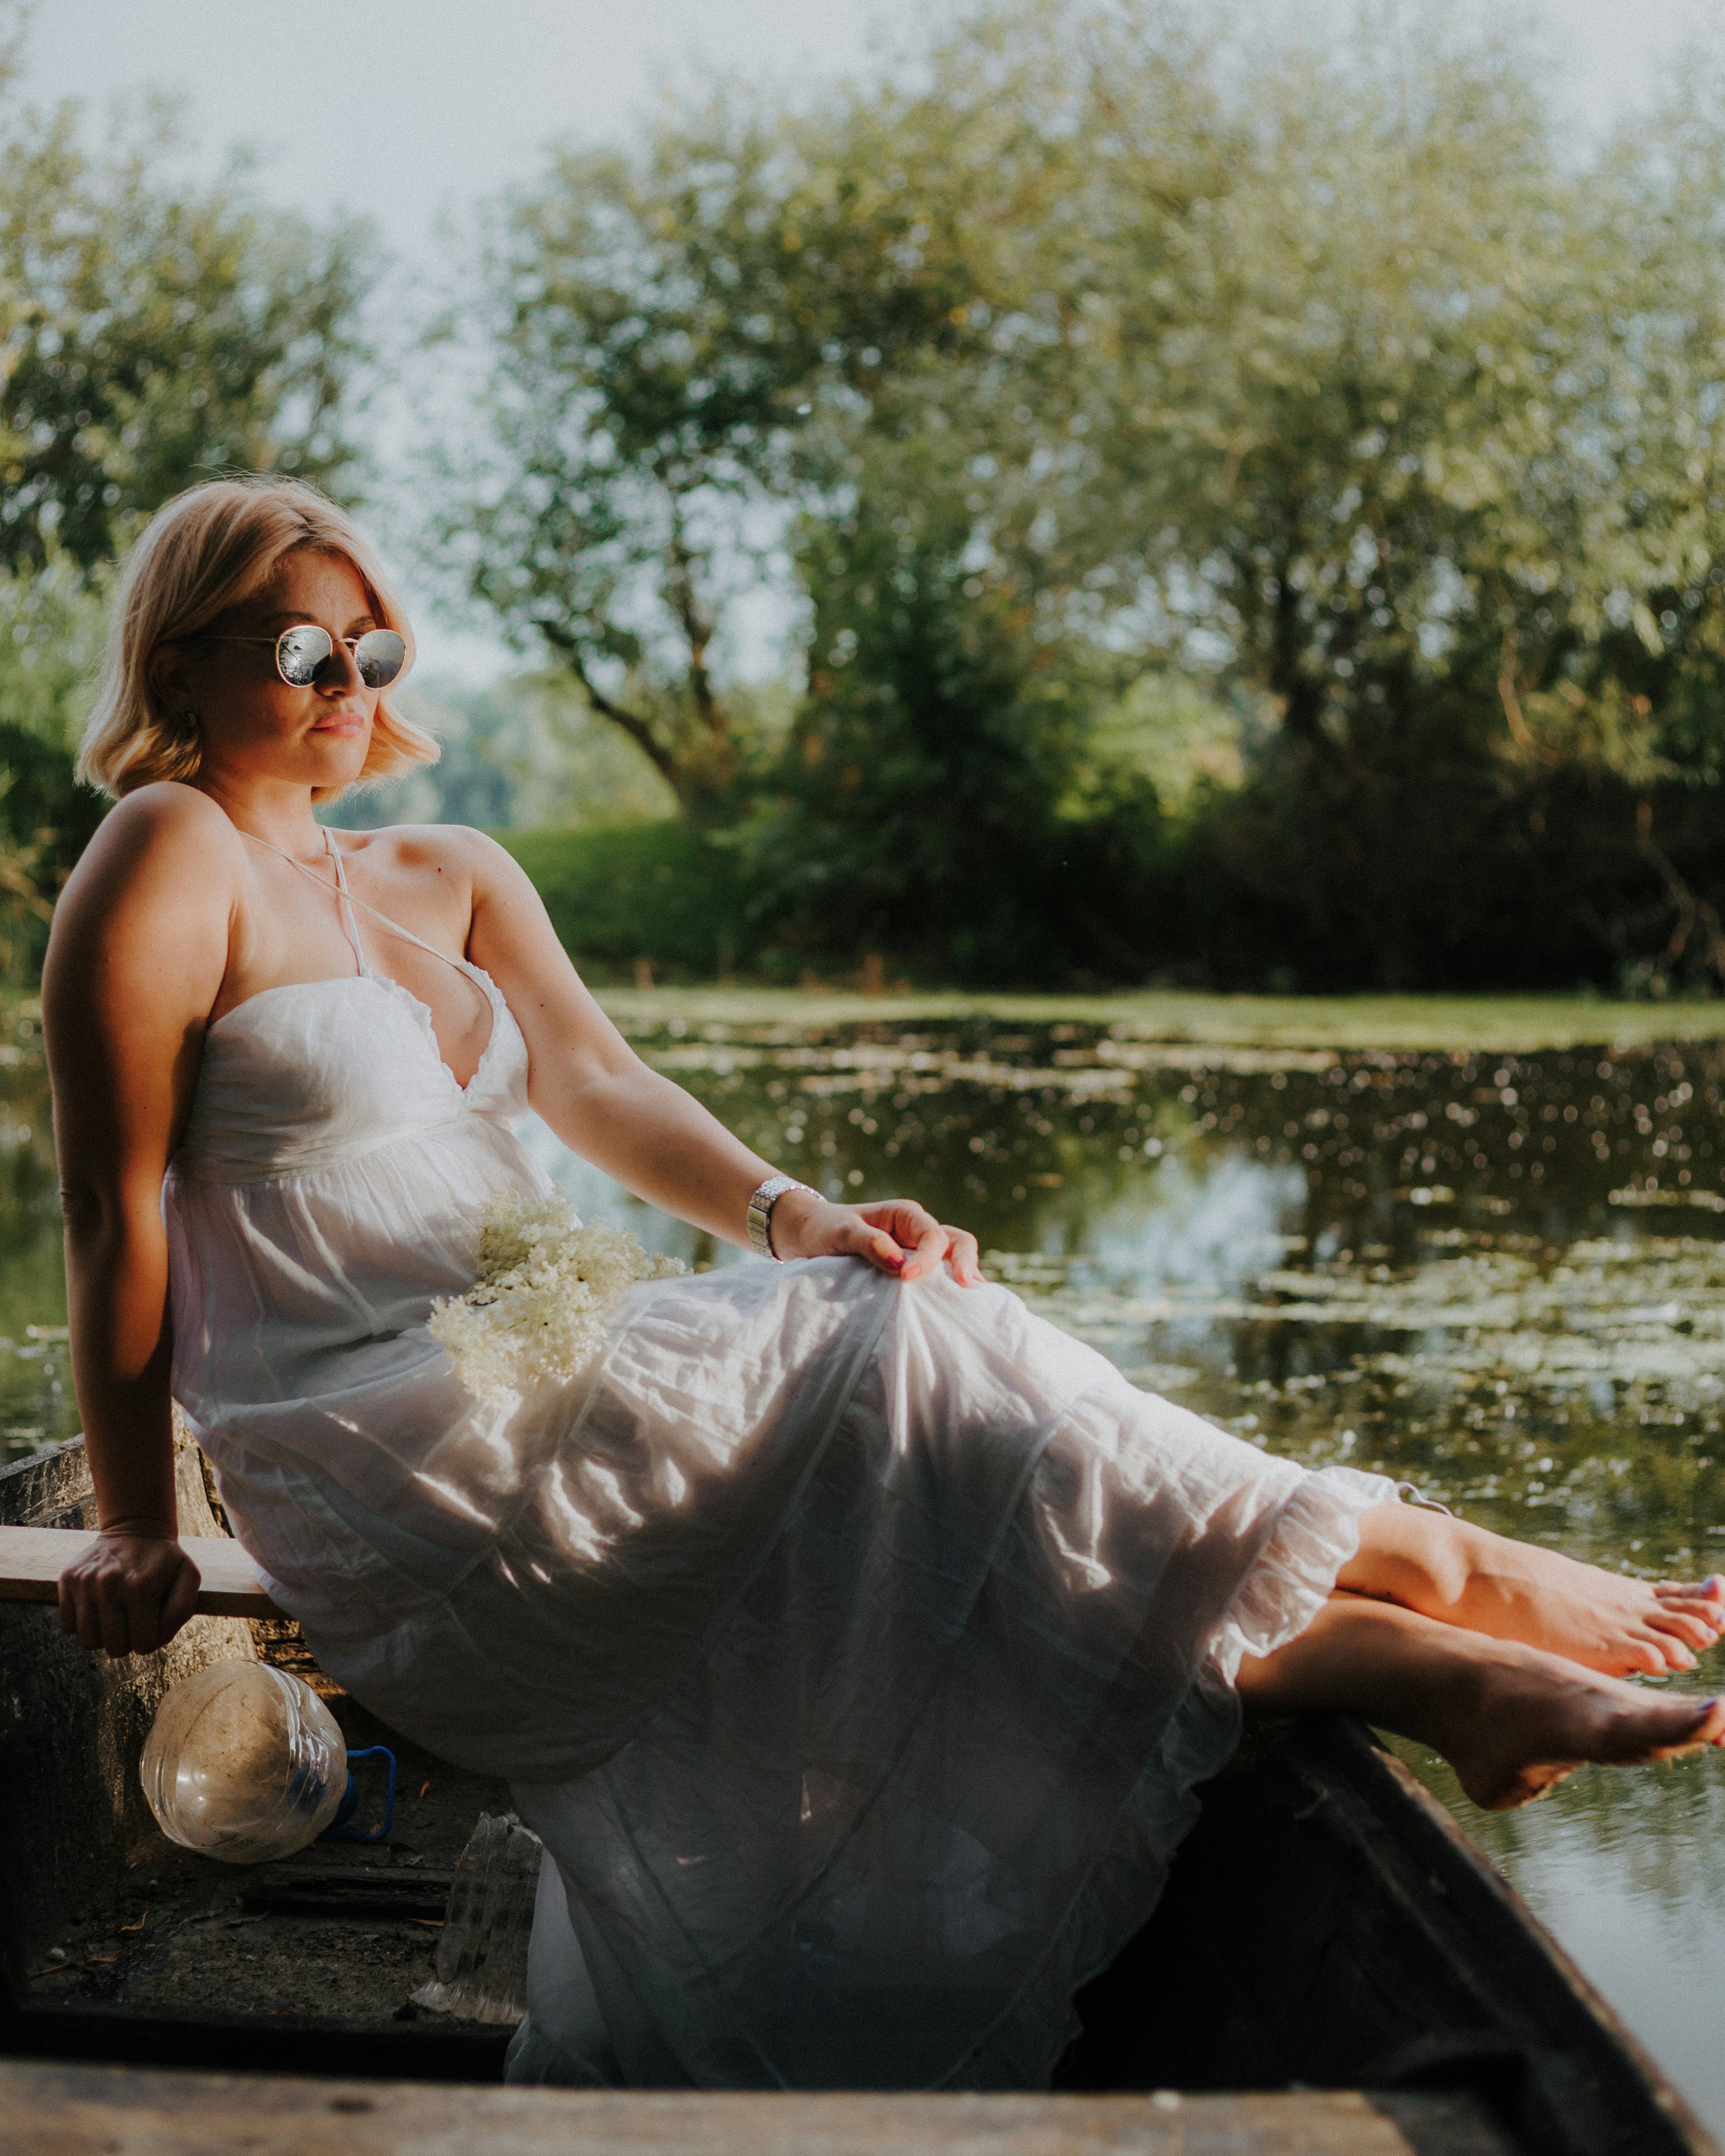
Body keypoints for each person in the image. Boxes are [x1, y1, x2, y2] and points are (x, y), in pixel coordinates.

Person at [44, 476, 1725, 2091]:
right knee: (905, 1367)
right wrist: (132, 1516)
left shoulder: (452, 870)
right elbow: (117, 1223)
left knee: (924, 1369)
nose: (347, 681)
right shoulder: (166, 852)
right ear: (180, 660)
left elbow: (605, 1091)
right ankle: (1437, 1562)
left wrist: (795, 1208)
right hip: (377, 1433)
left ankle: (1430, 1668)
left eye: (373, 648)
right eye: (297, 648)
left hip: (556, 1371)